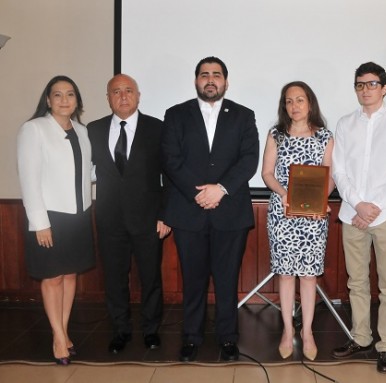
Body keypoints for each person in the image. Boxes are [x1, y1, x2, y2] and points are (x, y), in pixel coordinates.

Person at [161, 56, 260, 362]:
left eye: (216, 75)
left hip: (230, 211)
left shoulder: (243, 115)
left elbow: (249, 159)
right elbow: (171, 159)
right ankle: (191, 337)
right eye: (204, 74)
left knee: (227, 279)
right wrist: (199, 194)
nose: (210, 79)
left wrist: (220, 190)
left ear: (225, 82)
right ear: (196, 81)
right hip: (188, 212)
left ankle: (228, 338)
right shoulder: (176, 114)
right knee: (193, 279)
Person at [330, 62, 386, 374]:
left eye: (372, 84)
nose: (366, 90)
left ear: (385, 87)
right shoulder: (345, 123)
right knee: (357, 281)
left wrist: (373, 206)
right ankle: (361, 337)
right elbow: (339, 170)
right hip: (352, 214)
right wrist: (357, 203)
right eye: (360, 85)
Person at [87, 74, 170, 354]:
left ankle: (150, 330)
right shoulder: (94, 130)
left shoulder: (157, 129)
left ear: (138, 95)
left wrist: (166, 215)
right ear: (108, 97)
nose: (123, 96)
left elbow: (168, 176)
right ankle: (120, 330)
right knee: (114, 278)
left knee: (150, 278)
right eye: (116, 92)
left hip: (148, 219)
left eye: (128, 91)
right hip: (109, 219)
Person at [17, 75, 95, 365]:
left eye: (70, 94)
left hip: (79, 215)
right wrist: (40, 222)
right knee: (52, 278)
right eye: (58, 95)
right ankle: (59, 338)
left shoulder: (82, 131)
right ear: (48, 100)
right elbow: (29, 178)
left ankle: (62, 329)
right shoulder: (34, 129)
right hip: (50, 216)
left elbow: (87, 173)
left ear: (77, 101)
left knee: (70, 274)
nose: (65, 100)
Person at [261, 81, 334, 361]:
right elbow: (267, 173)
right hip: (283, 213)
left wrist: (319, 199)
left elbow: (330, 177)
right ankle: (287, 329)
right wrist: (284, 194)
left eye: (300, 100)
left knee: (308, 274)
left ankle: (308, 333)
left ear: (310, 103)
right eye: (289, 101)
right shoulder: (276, 135)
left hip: (313, 217)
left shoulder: (325, 136)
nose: (294, 106)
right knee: (286, 273)